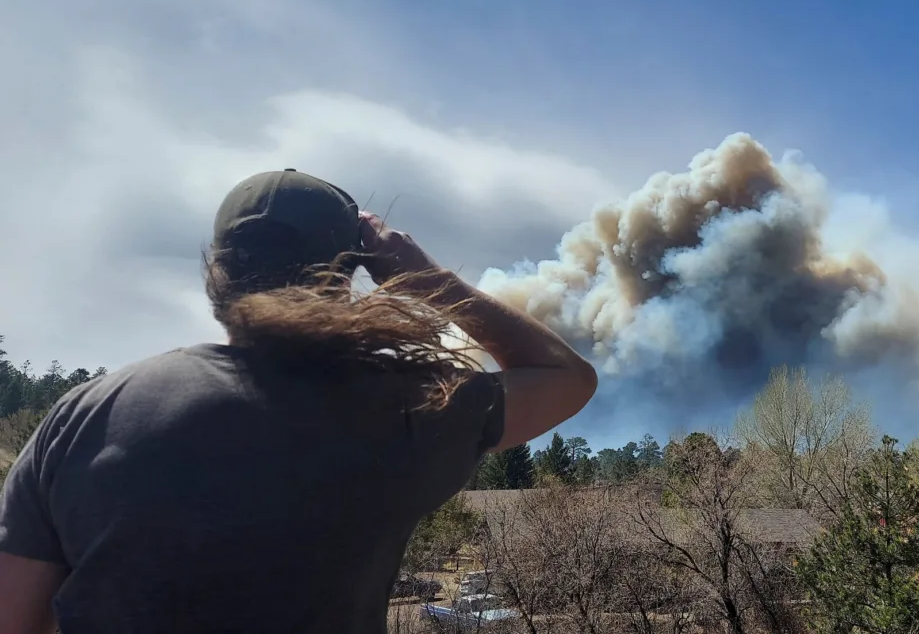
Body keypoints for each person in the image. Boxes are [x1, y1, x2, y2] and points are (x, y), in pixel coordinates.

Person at [0, 169, 598, 634]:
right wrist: (428, 283)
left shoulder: (82, 416)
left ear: (218, 273)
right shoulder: (402, 413)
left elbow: (14, 620)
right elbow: (566, 378)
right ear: (347, 278)